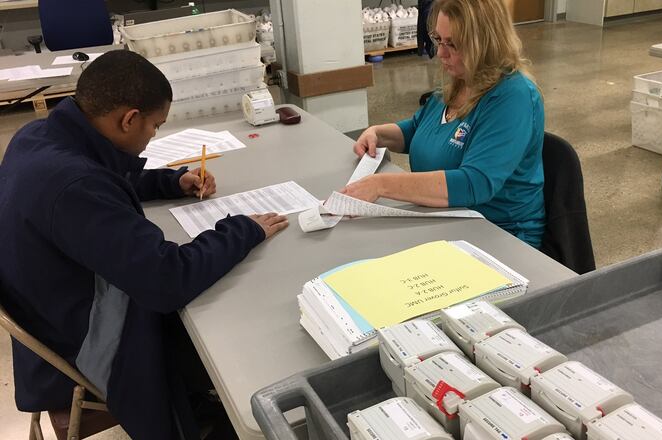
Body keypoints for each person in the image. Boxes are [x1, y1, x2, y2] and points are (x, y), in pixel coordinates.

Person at [0, 50, 288, 439]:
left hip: (49, 310)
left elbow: (101, 179)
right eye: (154, 126)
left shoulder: (39, 137)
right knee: (227, 342)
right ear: (129, 119)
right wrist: (243, 230)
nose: (153, 135)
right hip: (83, 338)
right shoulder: (75, 186)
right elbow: (167, 279)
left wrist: (171, 181)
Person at [344, 0, 546, 248]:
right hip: (447, 223)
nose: (441, 53)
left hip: (498, 238)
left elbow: (475, 184)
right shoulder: (461, 78)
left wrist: (381, 185)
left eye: (454, 44)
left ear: (486, 43)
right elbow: (419, 129)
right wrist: (378, 133)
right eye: (438, 39)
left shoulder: (513, 97)